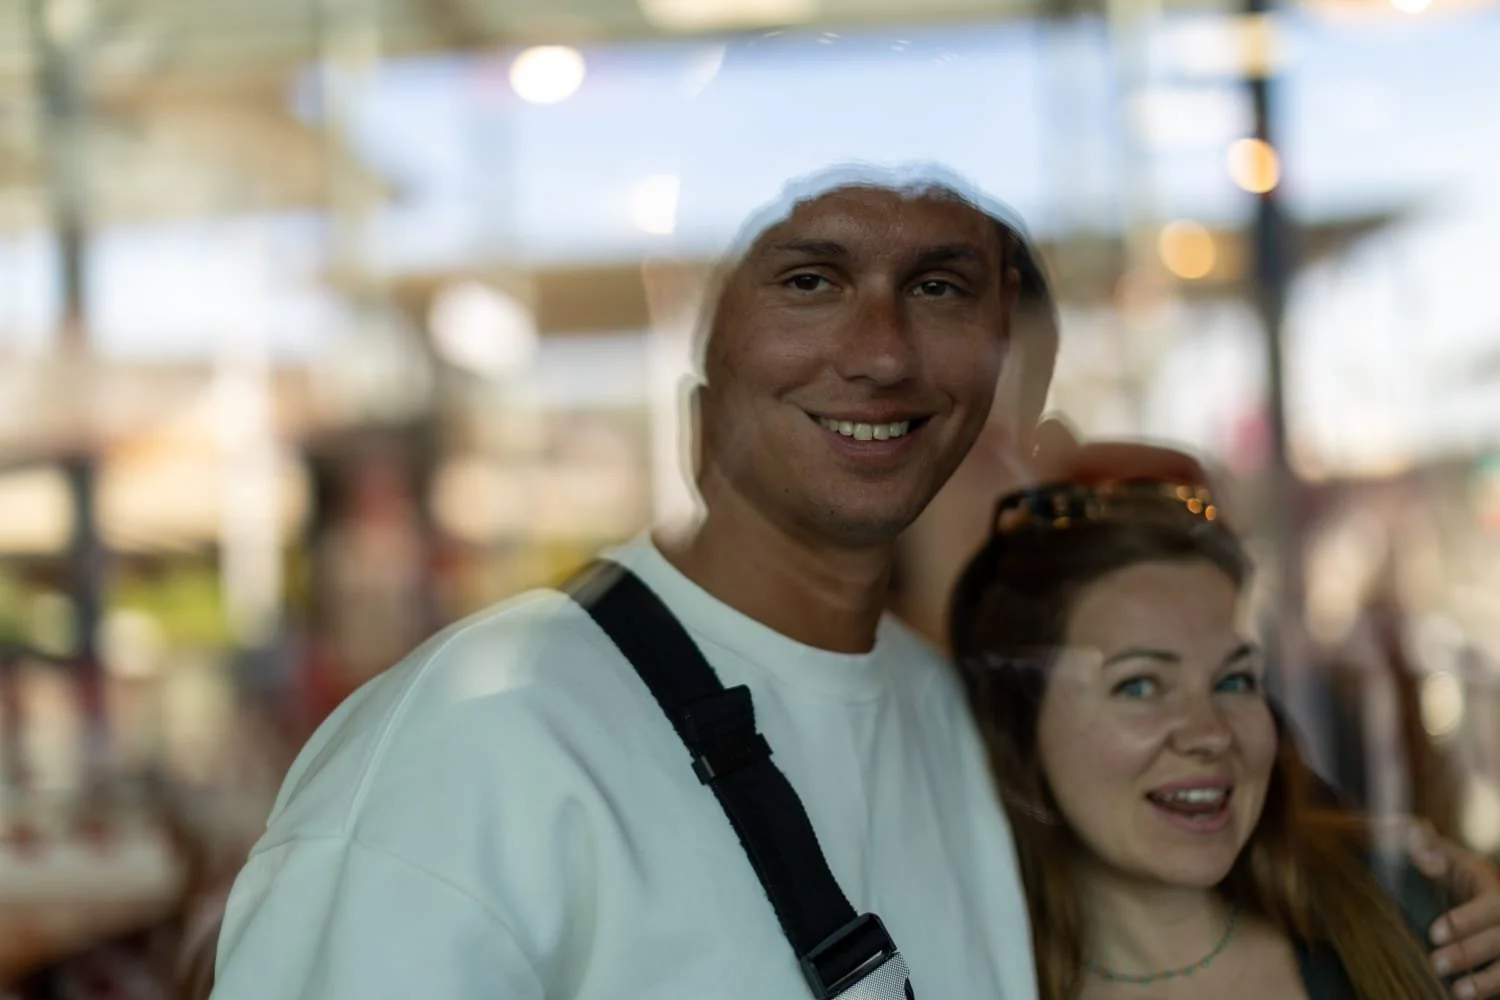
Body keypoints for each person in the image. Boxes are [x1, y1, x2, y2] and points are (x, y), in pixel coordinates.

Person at [207, 164, 1044, 999]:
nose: (883, 353)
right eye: (808, 281)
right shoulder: (480, 736)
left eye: (937, 288)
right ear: (698, 329)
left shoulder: (962, 721)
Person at [947, 478, 1500, 999]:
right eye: (1139, 686)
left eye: (1234, 680)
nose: (1211, 733)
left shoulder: (1413, 914)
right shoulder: (967, 977)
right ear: (1020, 727)